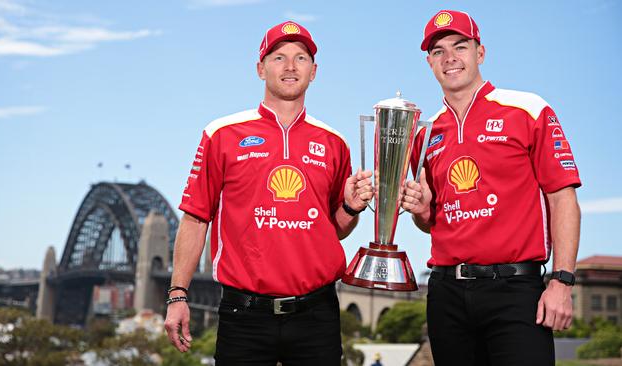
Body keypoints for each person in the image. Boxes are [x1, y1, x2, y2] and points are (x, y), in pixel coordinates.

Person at [163, 20, 373, 365]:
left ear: (314, 71)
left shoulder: (335, 142)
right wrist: (177, 295)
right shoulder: (222, 134)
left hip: (316, 313)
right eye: (278, 57)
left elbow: (333, 228)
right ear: (261, 69)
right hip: (244, 314)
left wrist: (350, 209)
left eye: (301, 58)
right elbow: (197, 217)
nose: (290, 67)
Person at [401, 10, 581, 366]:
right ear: (429, 62)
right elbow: (431, 220)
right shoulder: (423, 132)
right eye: (438, 51)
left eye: (460, 46)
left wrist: (561, 281)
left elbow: (563, 198)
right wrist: (422, 210)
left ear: (479, 53)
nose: (450, 58)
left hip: (515, 290)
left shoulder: (528, 109)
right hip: (446, 292)